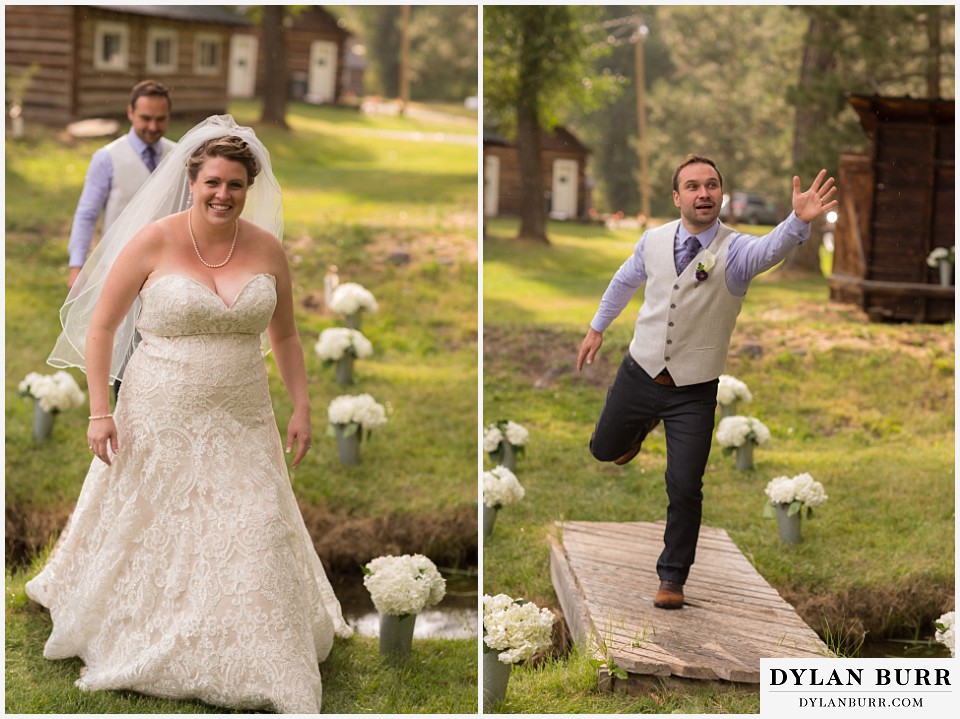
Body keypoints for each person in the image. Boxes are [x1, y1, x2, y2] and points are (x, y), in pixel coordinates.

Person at [30, 116, 352, 713]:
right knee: (154, 528)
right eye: (212, 182)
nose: (222, 195)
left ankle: (268, 658)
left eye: (234, 184)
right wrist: (100, 412)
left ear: (249, 188)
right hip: (159, 413)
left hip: (244, 416)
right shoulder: (154, 240)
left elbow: (285, 338)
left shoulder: (267, 248)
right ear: (192, 180)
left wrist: (303, 406)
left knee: (253, 527)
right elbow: (101, 325)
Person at [576, 154, 837, 610]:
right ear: (676, 196)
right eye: (693, 186)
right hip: (639, 371)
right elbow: (624, 281)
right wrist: (598, 327)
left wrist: (796, 220)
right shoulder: (652, 241)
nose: (703, 193)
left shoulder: (736, 253)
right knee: (603, 450)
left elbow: (770, 249)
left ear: (722, 193)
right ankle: (634, 433)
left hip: (693, 391)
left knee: (684, 485)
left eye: (712, 185)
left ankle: (672, 578)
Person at [67, 80, 177, 291]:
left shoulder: (180, 155)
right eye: (146, 118)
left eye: (160, 119)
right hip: (118, 266)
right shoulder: (107, 158)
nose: (153, 127)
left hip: (168, 268)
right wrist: (77, 265)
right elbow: (87, 214)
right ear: (130, 113)